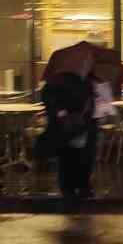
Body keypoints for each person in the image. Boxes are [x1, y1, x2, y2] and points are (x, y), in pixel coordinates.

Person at [41, 70, 95, 202]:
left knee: (82, 157)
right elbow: (49, 98)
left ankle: (80, 186)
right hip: (67, 126)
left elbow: (89, 102)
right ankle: (71, 188)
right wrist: (62, 113)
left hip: (82, 125)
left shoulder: (86, 81)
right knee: (69, 157)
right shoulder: (58, 81)